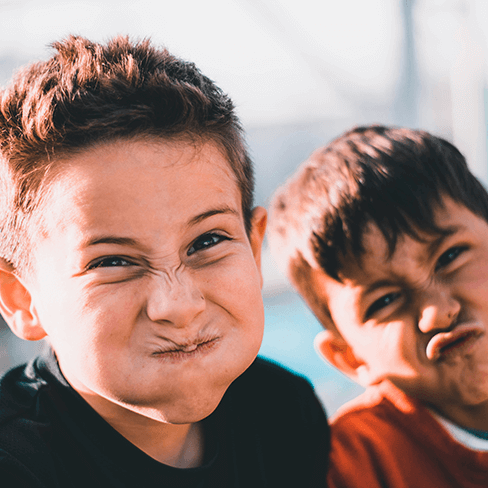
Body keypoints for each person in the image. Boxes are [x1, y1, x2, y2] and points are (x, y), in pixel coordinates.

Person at [0, 35, 329, 487]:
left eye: (207, 241)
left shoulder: (284, 414)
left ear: (254, 250)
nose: (178, 305)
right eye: (113, 262)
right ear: (22, 299)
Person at [267, 124, 488, 487]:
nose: (437, 312)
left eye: (450, 256)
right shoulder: (350, 467)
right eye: (384, 301)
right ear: (349, 358)